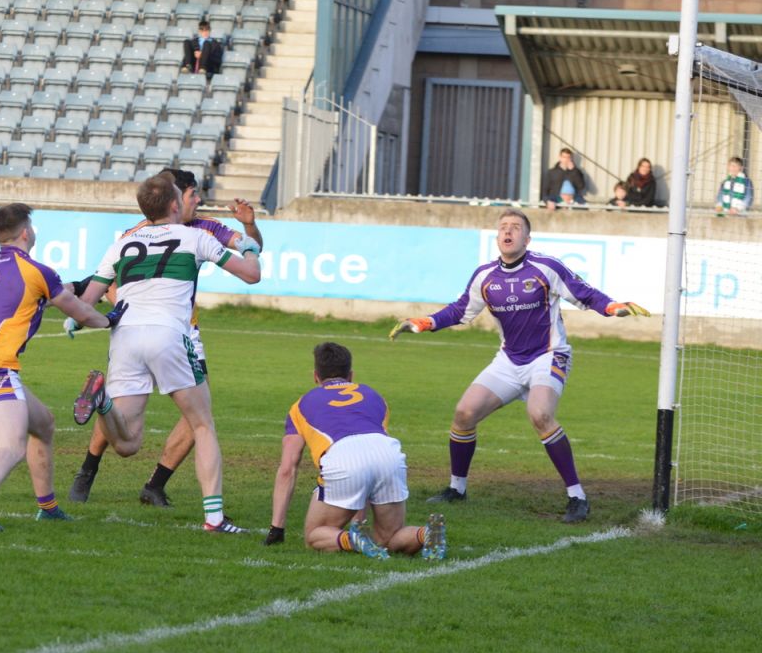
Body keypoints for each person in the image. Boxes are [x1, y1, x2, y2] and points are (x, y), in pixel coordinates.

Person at [389, 209, 651, 523]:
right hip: (509, 360)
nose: (508, 231)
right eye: (503, 227)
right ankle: (456, 489)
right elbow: (461, 311)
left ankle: (577, 497)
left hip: (548, 355)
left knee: (540, 414)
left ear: (527, 238)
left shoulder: (546, 267)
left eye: (515, 227)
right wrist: (426, 322)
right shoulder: (485, 276)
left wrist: (611, 306)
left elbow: (583, 293)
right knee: (464, 414)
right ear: (498, 237)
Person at [69, 175, 262, 533]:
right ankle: (214, 519)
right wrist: (249, 248)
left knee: (127, 443)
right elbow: (251, 274)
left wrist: (80, 323)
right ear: (175, 205)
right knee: (202, 423)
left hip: (124, 338)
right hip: (170, 335)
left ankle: (103, 402)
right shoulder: (194, 236)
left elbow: (84, 304)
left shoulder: (123, 243)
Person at [0, 203, 123, 532]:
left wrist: (73, 287)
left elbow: (44, 294)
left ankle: (48, 508)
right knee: (11, 446)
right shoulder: (36, 269)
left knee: (43, 424)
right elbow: (80, 312)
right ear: (27, 232)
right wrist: (109, 319)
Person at [266, 342, 447, 560]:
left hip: (343, 458)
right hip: (387, 454)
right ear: (351, 375)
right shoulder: (375, 396)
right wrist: (358, 519)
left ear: (315, 376)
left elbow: (288, 468)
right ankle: (426, 533)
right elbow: (370, 453)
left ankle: (352, 540)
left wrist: (277, 529)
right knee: (388, 539)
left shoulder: (301, 405)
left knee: (314, 536)